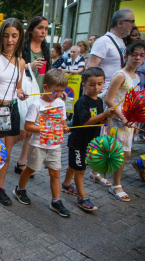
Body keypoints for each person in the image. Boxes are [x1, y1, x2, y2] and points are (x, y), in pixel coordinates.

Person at [13, 69, 70, 217]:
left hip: (55, 146)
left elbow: (63, 122)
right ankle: (19, 190)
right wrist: (45, 128)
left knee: (55, 173)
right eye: (56, 91)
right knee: (31, 169)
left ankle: (56, 201)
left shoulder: (60, 104)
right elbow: (28, 126)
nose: (59, 94)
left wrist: (64, 128)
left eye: (61, 91)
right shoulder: (36, 104)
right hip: (38, 145)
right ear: (45, 87)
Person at [0, 18, 27, 206]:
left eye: (14, 36)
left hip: (12, 109)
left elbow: (17, 87)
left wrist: (21, 93)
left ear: (19, 37)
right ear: (1, 36)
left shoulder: (21, 62)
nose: (10, 40)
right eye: (7, 35)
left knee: (6, 154)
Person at [62, 67, 115, 211]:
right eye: (92, 84)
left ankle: (66, 184)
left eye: (100, 83)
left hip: (90, 141)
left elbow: (99, 121)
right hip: (79, 142)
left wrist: (106, 120)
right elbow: (86, 121)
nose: (96, 87)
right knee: (80, 170)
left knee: (74, 165)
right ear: (83, 84)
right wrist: (104, 115)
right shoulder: (82, 102)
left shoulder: (98, 101)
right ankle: (82, 197)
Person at [103, 42, 145, 202]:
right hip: (117, 120)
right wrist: (122, 118)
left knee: (114, 151)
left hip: (129, 122)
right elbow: (109, 99)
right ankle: (116, 185)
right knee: (123, 153)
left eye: (142, 55)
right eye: (135, 54)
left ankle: (95, 173)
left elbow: (134, 102)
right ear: (127, 55)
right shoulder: (120, 75)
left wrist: (135, 121)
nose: (138, 58)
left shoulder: (138, 77)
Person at [18, 16, 51, 178]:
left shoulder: (46, 49)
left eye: (45, 28)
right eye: (40, 27)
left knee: (30, 131)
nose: (43, 31)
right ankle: (3, 153)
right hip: (23, 92)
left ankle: (22, 162)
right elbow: (14, 64)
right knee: (23, 130)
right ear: (31, 29)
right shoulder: (23, 46)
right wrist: (29, 66)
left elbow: (49, 72)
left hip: (40, 93)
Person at [87, 8, 135, 95]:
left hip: (116, 93)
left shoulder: (121, 42)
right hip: (103, 94)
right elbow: (90, 70)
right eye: (131, 21)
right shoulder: (103, 41)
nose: (133, 25)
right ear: (119, 23)